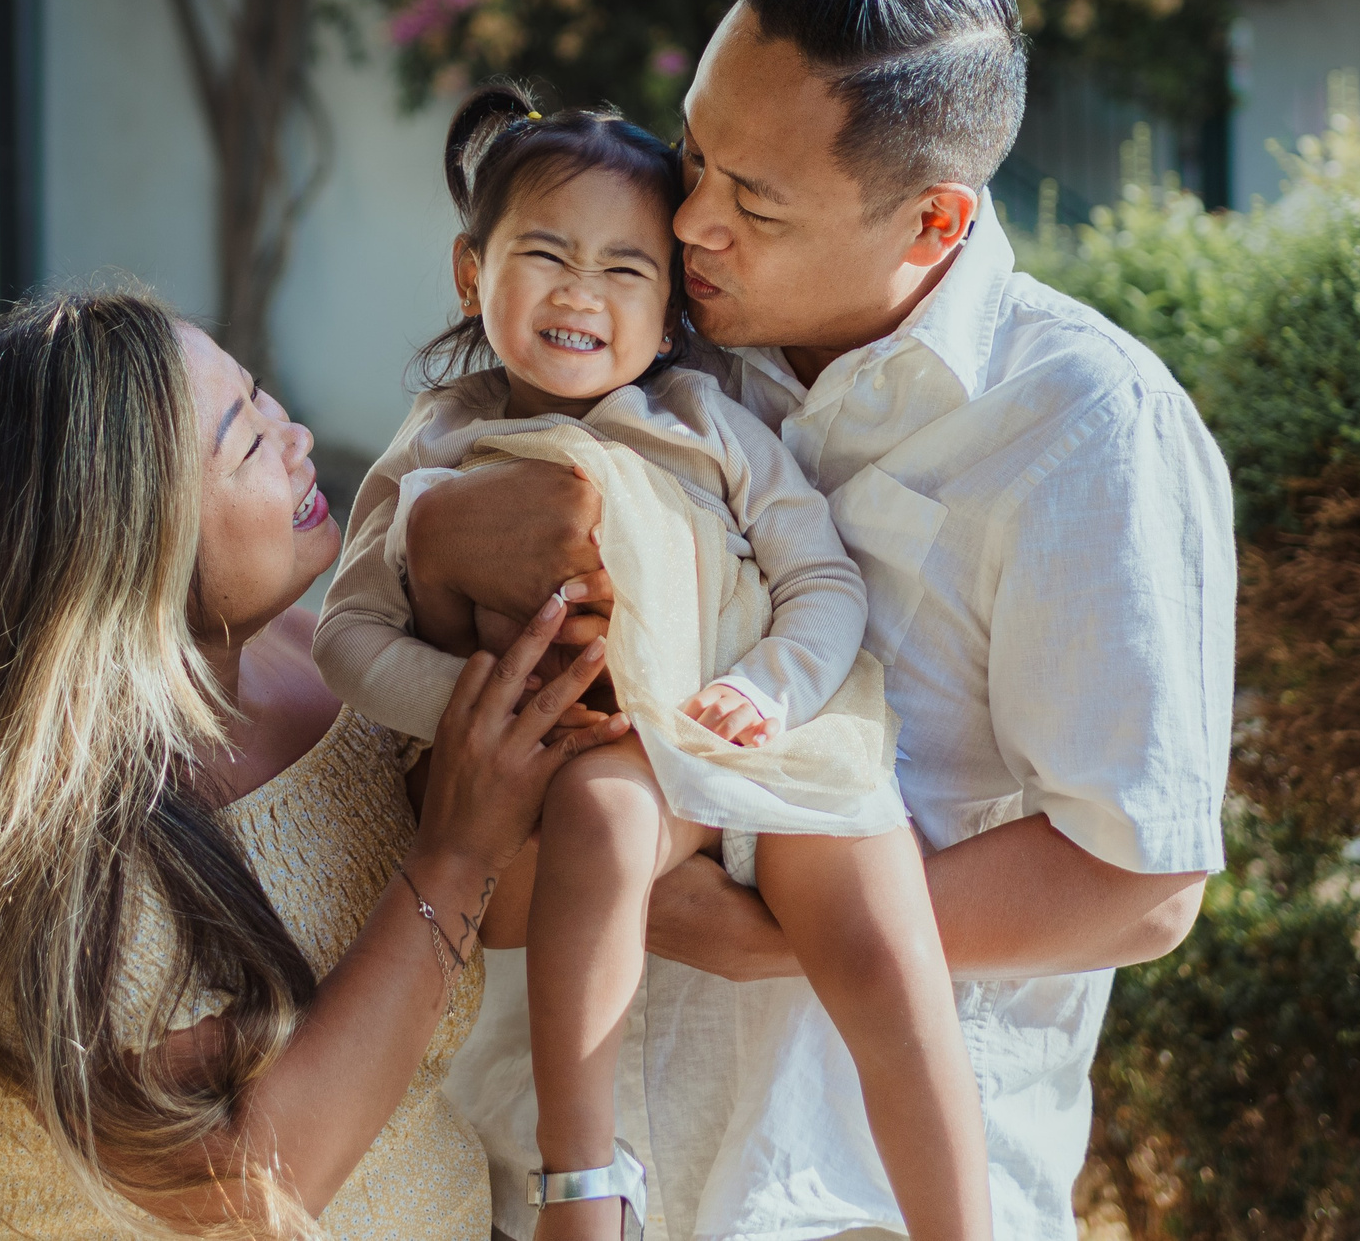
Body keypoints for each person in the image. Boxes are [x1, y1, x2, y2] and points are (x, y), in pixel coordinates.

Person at [408, 0, 1238, 1240]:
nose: (686, 223)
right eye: (692, 155)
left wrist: (763, 933)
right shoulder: (643, 348)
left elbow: (1140, 881)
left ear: (934, 220)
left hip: (850, 1207)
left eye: (755, 200)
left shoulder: (1080, 424)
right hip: (550, 1188)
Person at [0, 291, 628, 1240]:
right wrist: (453, 856)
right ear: (131, 545)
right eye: (249, 444)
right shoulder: (56, 872)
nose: (297, 435)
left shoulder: (323, 659)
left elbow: (495, 914)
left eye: (263, 400)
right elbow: (258, 1189)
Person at [317, 87, 992, 1241]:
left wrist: (767, 685)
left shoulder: (706, 421)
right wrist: (486, 712)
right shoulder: (438, 439)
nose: (583, 290)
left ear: (670, 302)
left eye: (627, 269)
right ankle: (583, 1182)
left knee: (886, 952)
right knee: (598, 814)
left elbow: (818, 582)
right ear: (472, 274)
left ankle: (961, 1222)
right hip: (617, 751)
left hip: (770, 729)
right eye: (546, 254)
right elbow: (349, 632)